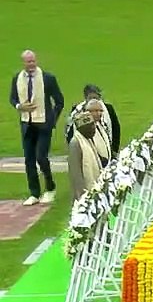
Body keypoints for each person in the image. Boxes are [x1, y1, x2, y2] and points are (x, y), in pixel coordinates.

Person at [10, 50, 64, 206]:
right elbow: (12, 98)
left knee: (41, 157)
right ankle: (34, 193)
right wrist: (20, 106)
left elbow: (59, 101)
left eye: (33, 61)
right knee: (29, 160)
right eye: (28, 62)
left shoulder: (48, 79)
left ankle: (50, 188)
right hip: (27, 124)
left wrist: (52, 120)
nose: (31, 64)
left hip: (43, 124)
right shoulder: (17, 79)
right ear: (23, 63)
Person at [64, 84, 120, 157]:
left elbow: (116, 129)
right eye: (91, 98)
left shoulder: (108, 109)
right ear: (86, 98)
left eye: (96, 98)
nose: (93, 101)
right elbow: (70, 132)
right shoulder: (77, 111)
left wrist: (114, 150)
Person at [67, 110, 111, 201]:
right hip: (85, 197)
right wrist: (82, 196)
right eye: (90, 126)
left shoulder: (88, 139)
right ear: (82, 129)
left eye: (93, 125)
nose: (94, 129)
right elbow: (76, 174)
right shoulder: (75, 143)